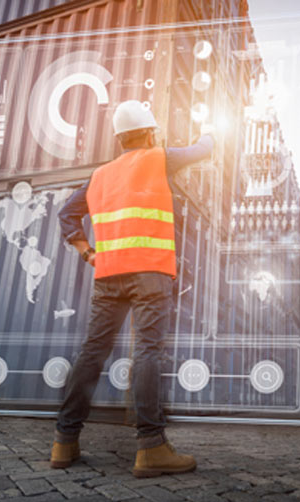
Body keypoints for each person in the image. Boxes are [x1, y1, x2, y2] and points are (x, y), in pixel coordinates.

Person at [52, 100, 214, 478]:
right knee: (147, 352)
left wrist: (88, 253)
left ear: (120, 138)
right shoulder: (160, 158)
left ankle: (64, 440)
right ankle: (151, 446)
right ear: (149, 132)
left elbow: (67, 215)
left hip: (109, 274)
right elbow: (204, 149)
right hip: (150, 274)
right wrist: (211, 128)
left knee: (92, 352)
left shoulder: (100, 175)